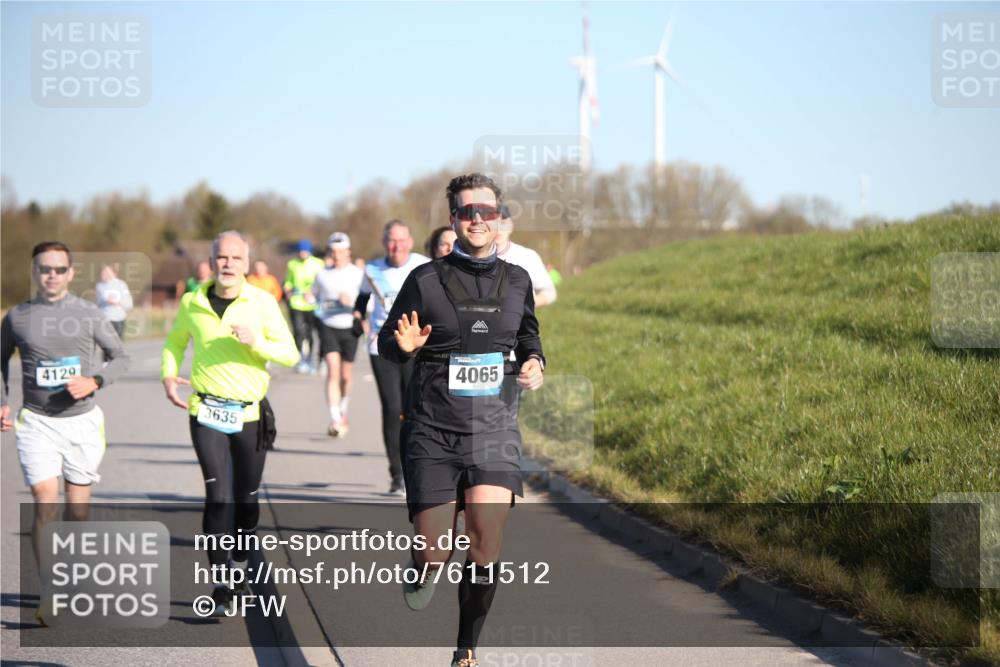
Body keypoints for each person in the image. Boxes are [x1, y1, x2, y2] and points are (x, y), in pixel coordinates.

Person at [377, 174, 544, 667]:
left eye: (486, 211)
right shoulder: (424, 280)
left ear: (499, 218)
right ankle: (426, 567)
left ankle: (466, 647)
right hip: (432, 430)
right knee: (434, 549)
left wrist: (535, 362)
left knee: (485, 538)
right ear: (453, 219)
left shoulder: (517, 281)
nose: (477, 219)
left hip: (493, 429)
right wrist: (400, 346)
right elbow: (390, 339)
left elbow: (530, 336)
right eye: (467, 211)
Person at [160, 231, 299, 616]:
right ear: (212, 259)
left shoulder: (262, 302)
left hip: (249, 413)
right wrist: (169, 375)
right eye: (222, 257)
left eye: (236, 258)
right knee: (218, 496)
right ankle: (221, 580)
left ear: (246, 262)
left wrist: (257, 342)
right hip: (205, 411)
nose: (228, 264)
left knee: (246, 500)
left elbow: (290, 354)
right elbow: (174, 343)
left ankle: (240, 554)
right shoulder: (193, 301)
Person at [1, 241, 130, 625]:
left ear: (71, 273)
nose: (51, 275)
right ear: (35, 272)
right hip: (36, 421)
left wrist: (95, 380)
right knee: (46, 502)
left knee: (77, 512)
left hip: (82, 422)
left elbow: (121, 357)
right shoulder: (17, 317)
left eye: (59, 269)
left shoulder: (89, 313)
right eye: (44, 268)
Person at [353, 220, 429, 495]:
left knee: (414, 410)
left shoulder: (423, 265)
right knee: (391, 408)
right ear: (385, 242)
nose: (396, 245)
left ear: (410, 241)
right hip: (381, 346)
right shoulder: (372, 269)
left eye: (401, 240)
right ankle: (396, 474)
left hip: (414, 347)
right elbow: (360, 301)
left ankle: (416, 470)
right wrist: (357, 318)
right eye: (391, 240)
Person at [312, 232, 364, 437]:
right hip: (328, 325)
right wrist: (310, 297)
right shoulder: (322, 274)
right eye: (333, 252)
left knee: (345, 375)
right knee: (333, 371)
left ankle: (343, 408)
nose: (336, 256)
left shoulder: (358, 274)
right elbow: (315, 295)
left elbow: (367, 302)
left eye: (340, 252)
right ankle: (335, 418)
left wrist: (351, 302)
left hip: (350, 326)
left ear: (348, 252)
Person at [495, 205, 557, 306]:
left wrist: (528, 304)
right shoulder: (472, 256)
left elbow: (550, 292)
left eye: (503, 223)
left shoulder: (527, 256)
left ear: (511, 226)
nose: (498, 229)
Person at [284, 240, 325, 374]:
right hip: (296, 302)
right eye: (300, 251)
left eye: (305, 251)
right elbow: (289, 281)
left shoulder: (318, 264)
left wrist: (313, 292)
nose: (302, 253)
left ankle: (311, 359)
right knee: (298, 331)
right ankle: (302, 358)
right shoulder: (292, 264)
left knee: (311, 333)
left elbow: (323, 282)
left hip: (312, 303)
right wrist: (287, 288)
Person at [94, 264, 133, 340]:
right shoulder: (99, 286)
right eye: (103, 273)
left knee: (117, 345)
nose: (104, 275)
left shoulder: (121, 285)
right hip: (105, 319)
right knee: (106, 344)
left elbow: (129, 304)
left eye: (107, 273)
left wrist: (117, 302)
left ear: (113, 273)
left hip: (119, 318)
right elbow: (98, 303)